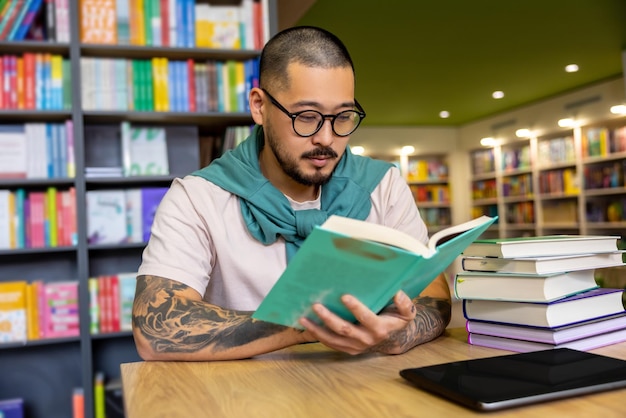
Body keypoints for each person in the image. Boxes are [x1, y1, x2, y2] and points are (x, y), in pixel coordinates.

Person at [132, 26, 452, 361]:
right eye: (307, 116)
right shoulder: (197, 198)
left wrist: (395, 335)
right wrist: (314, 323)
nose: (327, 139)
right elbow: (156, 329)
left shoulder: (383, 186)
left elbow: (435, 297)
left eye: (343, 117)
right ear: (259, 106)